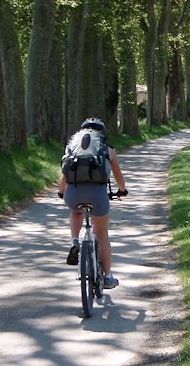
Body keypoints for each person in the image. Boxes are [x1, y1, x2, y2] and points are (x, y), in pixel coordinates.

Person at [58, 117, 127, 289]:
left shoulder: (73, 146)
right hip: (98, 194)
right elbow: (118, 175)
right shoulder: (107, 149)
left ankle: (74, 241)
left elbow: (65, 174)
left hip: (73, 193)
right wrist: (122, 190)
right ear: (102, 132)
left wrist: (61, 192)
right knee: (102, 234)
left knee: (76, 212)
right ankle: (109, 277)